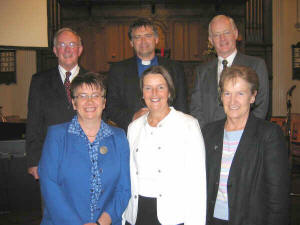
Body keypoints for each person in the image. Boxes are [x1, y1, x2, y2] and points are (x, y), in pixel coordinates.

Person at [38, 72, 131, 225]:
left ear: (104, 102)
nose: (90, 102)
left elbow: (124, 188)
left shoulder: (119, 137)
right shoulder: (57, 136)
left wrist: (102, 222)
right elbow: (50, 187)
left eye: (95, 95)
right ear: (74, 103)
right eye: (82, 96)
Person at [202, 65, 290, 225]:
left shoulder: (269, 135)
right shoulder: (209, 133)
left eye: (240, 93)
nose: (232, 101)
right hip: (212, 220)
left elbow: (278, 198)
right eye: (227, 93)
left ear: (252, 96)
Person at [123, 65, 206, 225]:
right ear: (142, 93)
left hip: (172, 215)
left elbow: (197, 183)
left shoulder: (188, 125)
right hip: (137, 213)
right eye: (148, 88)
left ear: (169, 91)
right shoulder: (134, 127)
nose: (154, 93)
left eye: (160, 87)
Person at [26, 27, 87, 179]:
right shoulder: (39, 81)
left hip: (85, 158)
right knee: (52, 202)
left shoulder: (93, 80)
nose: (67, 49)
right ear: (55, 50)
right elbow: (34, 122)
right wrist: (34, 161)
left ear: (80, 50)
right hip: (50, 159)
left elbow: (102, 121)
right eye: (62, 45)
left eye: (72, 45)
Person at [106, 18, 187, 131]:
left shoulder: (174, 68)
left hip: (169, 130)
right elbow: (111, 106)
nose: (143, 41)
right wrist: (132, 117)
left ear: (156, 39)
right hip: (132, 130)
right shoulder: (118, 70)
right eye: (137, 37)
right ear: (131, 43)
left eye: (148, 36)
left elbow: (182, 104)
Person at [190, 15, 269, 128]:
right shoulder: (202, 71)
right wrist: (207, 134)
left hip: (245, 137)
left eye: (226, 32)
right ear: (211, 40)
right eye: (216, 35)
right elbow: (196, 108)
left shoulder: (256, 65)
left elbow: (261, 105)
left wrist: (244, 133)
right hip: (210, 138)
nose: (222, 38)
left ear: (235, 34)